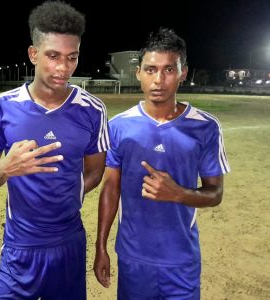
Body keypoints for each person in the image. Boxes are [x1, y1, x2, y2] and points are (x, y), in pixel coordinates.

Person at [0, 1, 110, 299]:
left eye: (71, 57)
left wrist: (70, 191)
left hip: (69, 244)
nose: (63, 67)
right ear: (33, 54)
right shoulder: (2, 106)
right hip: (19, 246)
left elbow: (95, 170)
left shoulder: (92, 109)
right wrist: (3, 169)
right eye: (53, 56)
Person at [93, 27, 230, 299]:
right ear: (139, 73)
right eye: (151, 69)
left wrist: (179, 194)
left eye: (169, 70)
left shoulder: (205, 128)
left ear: (183, 73)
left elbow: (215, 193)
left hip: (181, 259)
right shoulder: (119, 127)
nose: (159, 79)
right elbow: (110, 189)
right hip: (134, 258)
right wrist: (100, 247)